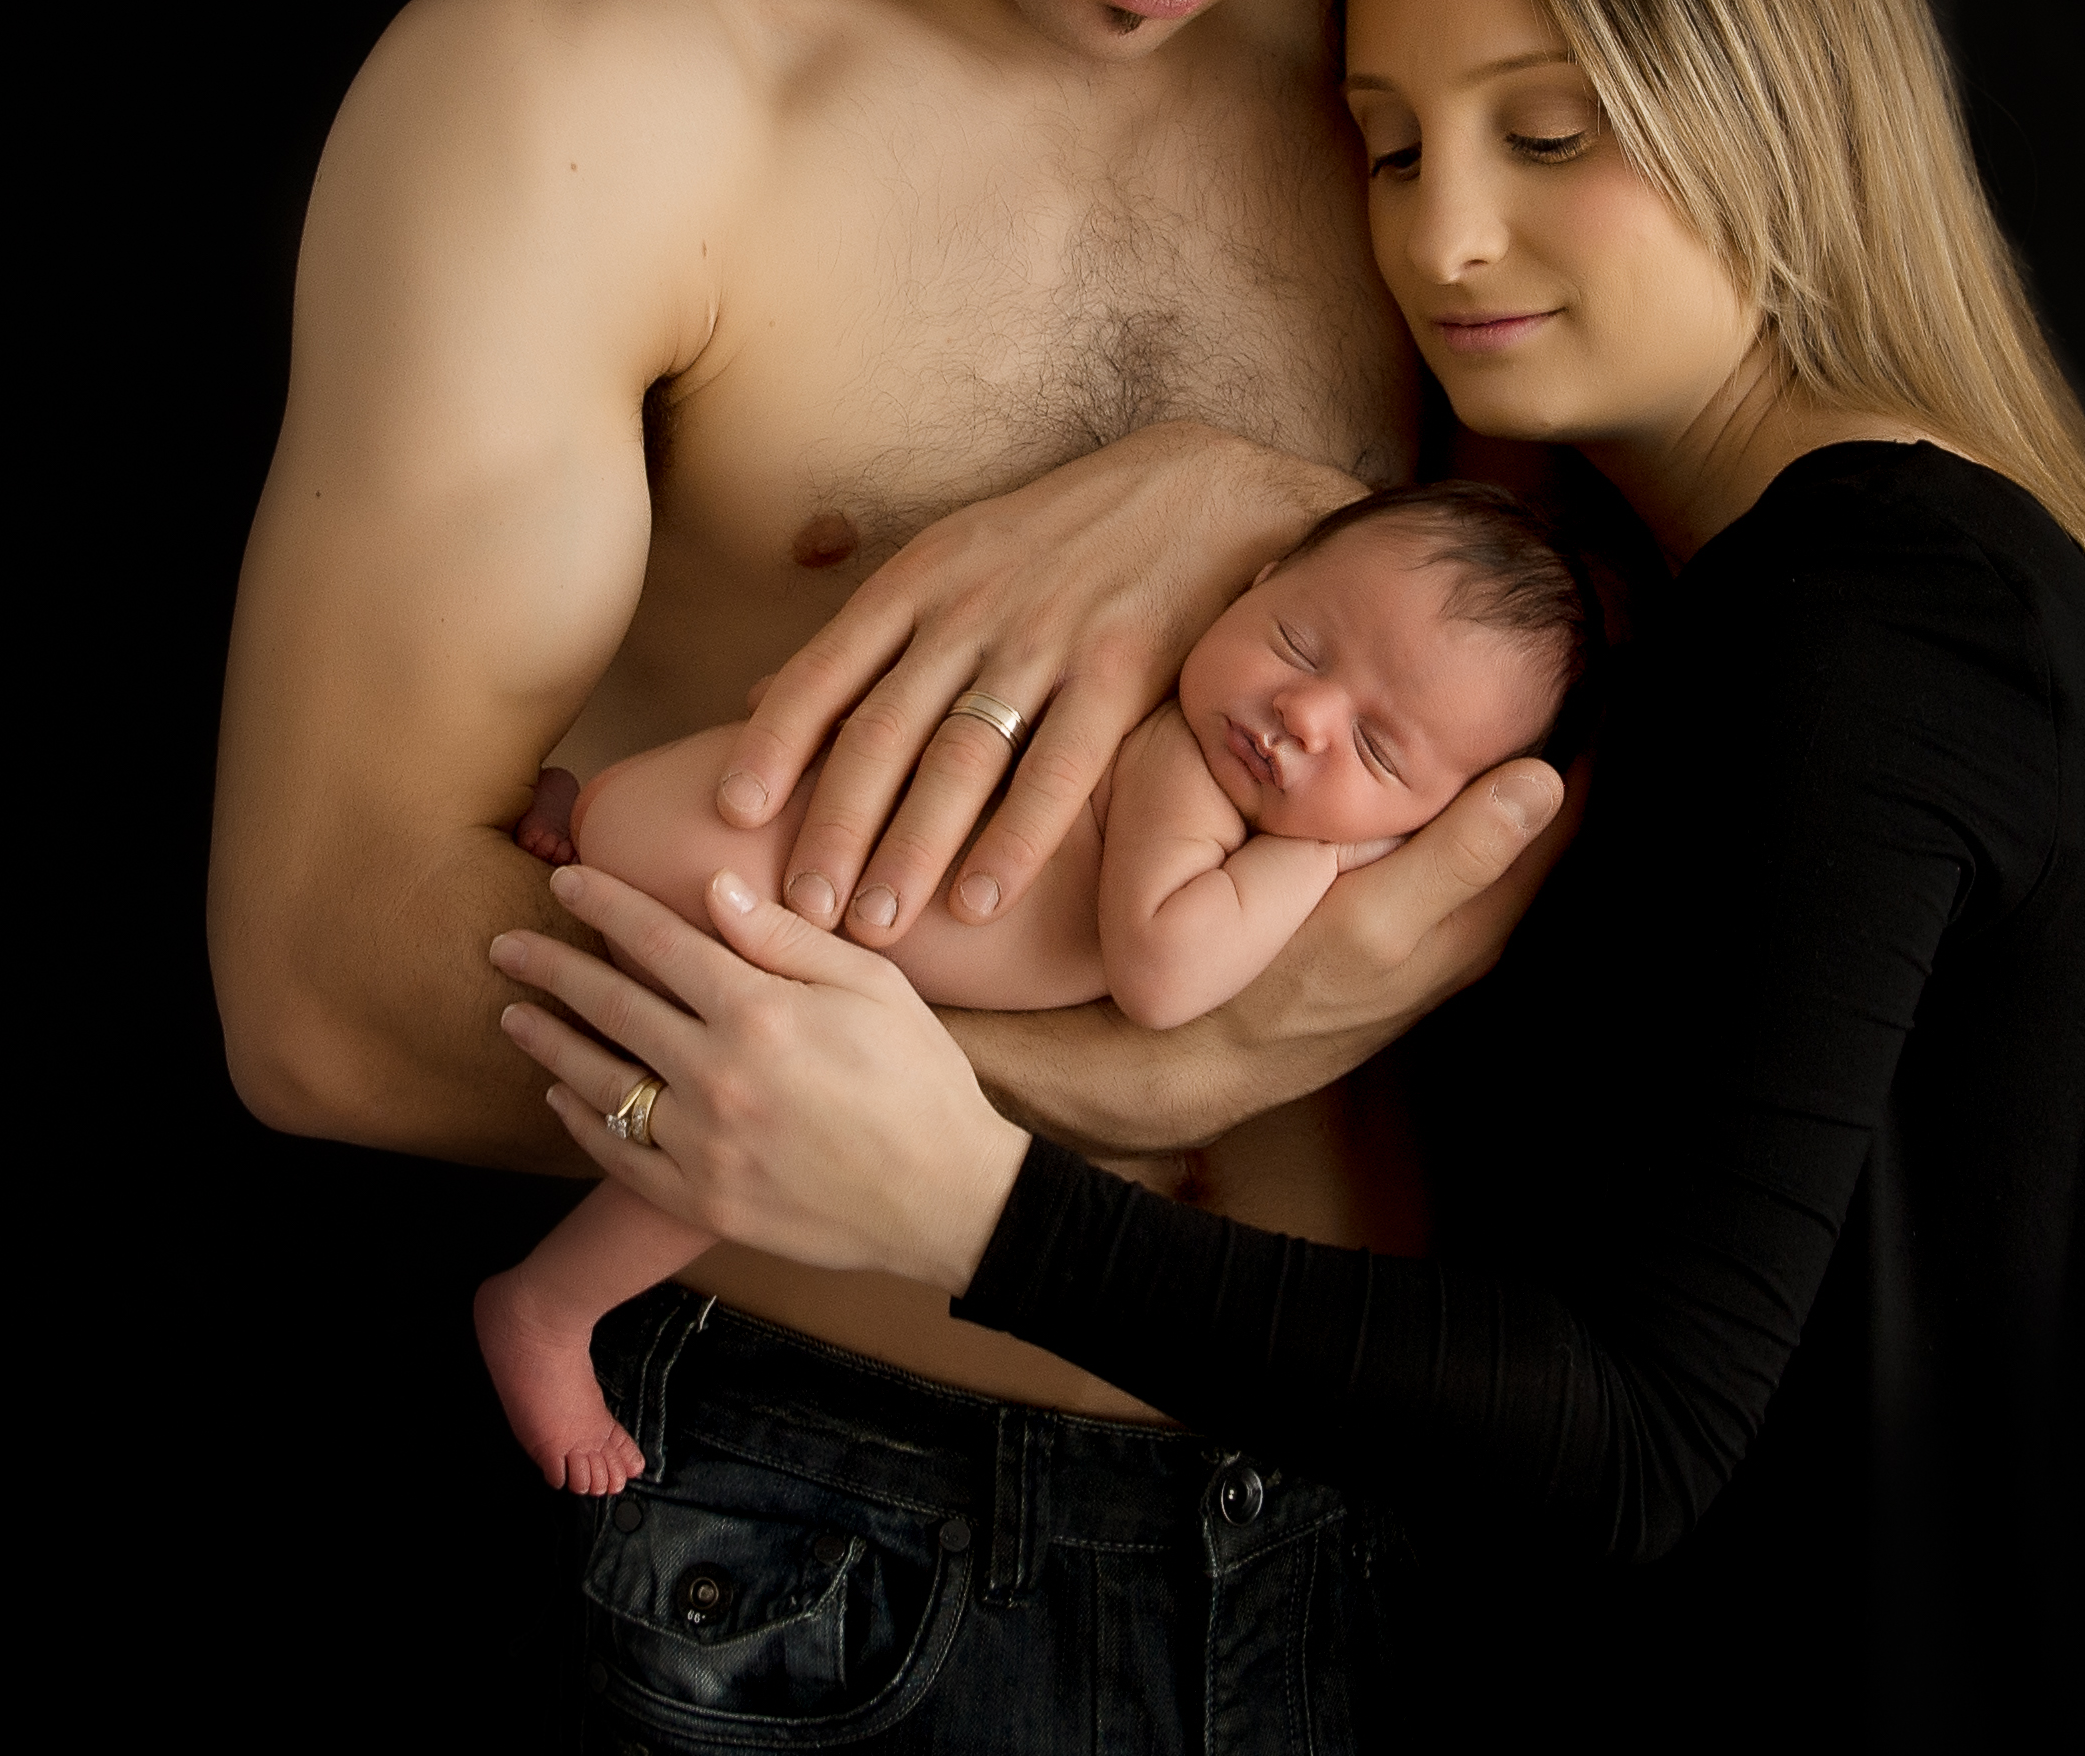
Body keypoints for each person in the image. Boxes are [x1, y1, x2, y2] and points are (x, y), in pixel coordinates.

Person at [209, 0, 1612, 1756]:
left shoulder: (1410, 93)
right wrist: (1143, 1069)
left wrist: (1232, 492)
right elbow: (329, 982)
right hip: (844, 1575)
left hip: (1399, 1524)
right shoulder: (580, 102)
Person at [496, 0, 2085, 1756]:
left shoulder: (1863, 631)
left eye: (1549, 131)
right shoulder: (2009, 613)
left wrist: (974, 1206)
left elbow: (1633, 1432)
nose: (1442, 233)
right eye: (1385, 141)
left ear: (1776, 122)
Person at [475, 481, 1590, 1496]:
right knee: (734, 1147)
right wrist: (1319, 856)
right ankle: (547, 1305)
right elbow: (1163, 974)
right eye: (1297, 643)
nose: (1303, 717)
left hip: (679, 816)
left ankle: (578, 813)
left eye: (1380, 754)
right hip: (719, 916)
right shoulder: (1180, 769)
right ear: (1253, 582)